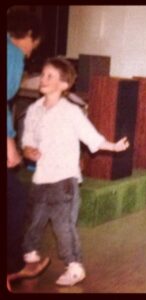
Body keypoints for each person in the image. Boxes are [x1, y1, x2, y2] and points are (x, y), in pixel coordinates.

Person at [21, 56, 130, 286]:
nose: (44, 78)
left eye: (50, 76)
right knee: (34, 221)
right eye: (43, 74)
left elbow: (91, 137)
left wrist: (113, 146)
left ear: (64, 84)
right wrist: (28, 150)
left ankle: (74, 266)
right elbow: (28, 138)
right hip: (41, 178)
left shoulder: (71, 112)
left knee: (63, 226)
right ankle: (29, 255)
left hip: (64, 181)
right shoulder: (34, 110)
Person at [7, 7, 51, 292]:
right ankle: (11, 267)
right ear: (30, 36)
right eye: (35, 44)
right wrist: (10, 142)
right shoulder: (12, 54)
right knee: (16, 199)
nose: (32, 52)